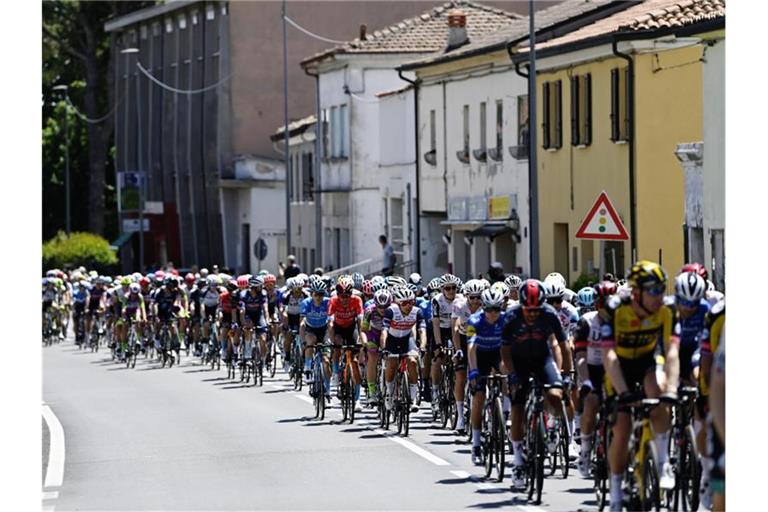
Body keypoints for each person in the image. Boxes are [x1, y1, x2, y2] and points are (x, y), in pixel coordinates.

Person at [602, 261, 679, 511]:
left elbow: (671, 352)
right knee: (622, 429)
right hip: (619, 367)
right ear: (636, 293)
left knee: (659, 393)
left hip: (646, 362)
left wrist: (671, 390)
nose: (660, 296)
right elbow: (609, 356)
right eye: (654, 290)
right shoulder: (615, 309)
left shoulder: (667, 310)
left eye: (662, 289)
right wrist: (623, 393)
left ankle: (663, 461)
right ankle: (615, 490)